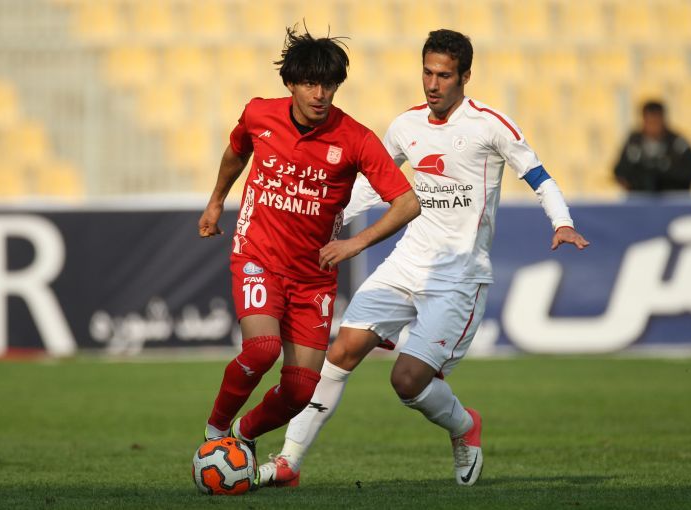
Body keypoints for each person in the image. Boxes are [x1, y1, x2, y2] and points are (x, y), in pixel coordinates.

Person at [258, 29, 589, 488]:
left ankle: (464, 425)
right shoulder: (405, 127)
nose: (433, 84)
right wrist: (327, 222)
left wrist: (562, 222)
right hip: (406, 263)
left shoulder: (490, 125)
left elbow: (538, 175)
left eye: (444, 76)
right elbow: (371, 187)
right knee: (340, 352)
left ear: (465, 76)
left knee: (407, 380)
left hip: (459, 276)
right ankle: (289, 461)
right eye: (427, 73)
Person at [197, 25, 420, 466]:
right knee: (262, 349)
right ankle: (214, 433)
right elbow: (236, 151)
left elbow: (407, 203)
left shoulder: (355, 138)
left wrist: (355, 243)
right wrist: (216, 201)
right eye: (310, 84)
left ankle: (241, 436)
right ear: (291, 84)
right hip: (258, 255)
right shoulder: (259, 114)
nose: (320, 94)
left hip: (312, 277)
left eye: (329, 85)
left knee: (300, 389)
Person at [614, 100, 691, 192]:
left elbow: (689, 171)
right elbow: (620, 172)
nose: (653, 127)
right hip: (640, 197)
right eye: (650, 122)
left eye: (656, 122)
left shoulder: (677, 144)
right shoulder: (634, 142)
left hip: (672, 197)